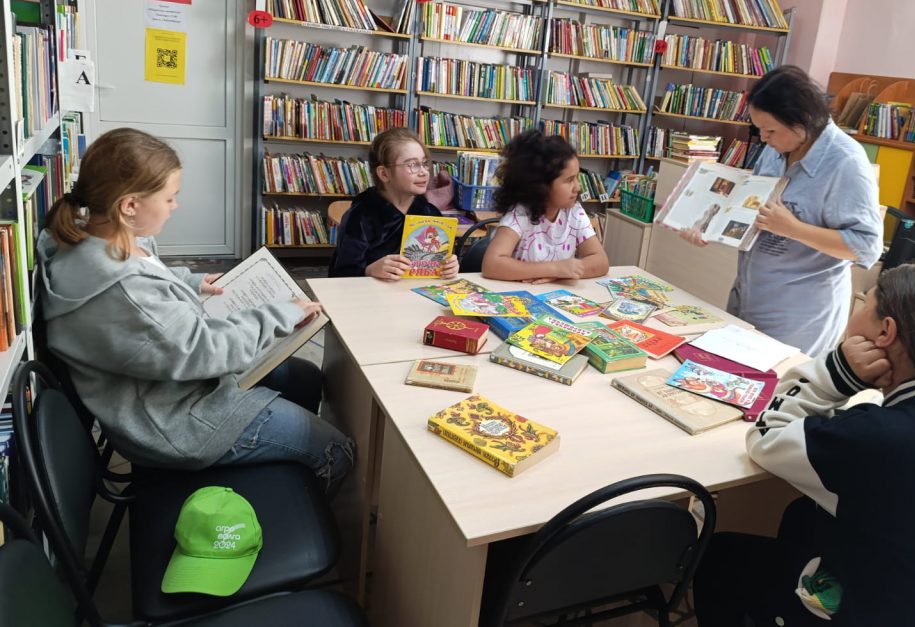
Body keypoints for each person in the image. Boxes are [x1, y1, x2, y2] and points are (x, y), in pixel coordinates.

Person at [694, 260, 915, 627]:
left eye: (864, 303)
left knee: (721, 556)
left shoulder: (879, 438)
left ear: (885, 331)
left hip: (885, 611)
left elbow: (766, 436)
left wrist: (837, 373)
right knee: (801, 516)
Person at [38, 128, 353, 494]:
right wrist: (280, 315)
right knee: (336, 450)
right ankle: (291, 501)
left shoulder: (98, 237)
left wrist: (191, 281)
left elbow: (147, 276)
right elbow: (206, 350)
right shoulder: (122, 291)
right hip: (180, 424)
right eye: (170, 197)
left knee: (303, 377)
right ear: (129, 206)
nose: (175, 206)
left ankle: (283, 464)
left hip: (175, 394)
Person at [680, 65, 882, 356]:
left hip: (799, 314)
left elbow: (866, 247)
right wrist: (712, 226)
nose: (763, 138)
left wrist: (793, 228)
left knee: (778, 382)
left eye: (770, 130)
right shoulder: (776, 150)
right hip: (749, 295)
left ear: (803, 120)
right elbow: (754, 209)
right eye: (759, 129)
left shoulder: (846, 163)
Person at [328, 127, 459, 281]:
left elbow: (440, 260)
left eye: (424, 163)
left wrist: (449, 266)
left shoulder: (430, 212)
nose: (424, 172)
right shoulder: (360, 216)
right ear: (384, 174)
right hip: (372, 293)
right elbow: (340, 276)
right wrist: (369, 270)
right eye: (412, 165)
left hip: (415, 291)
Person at [481, 130, 609, 284]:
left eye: (577, 178)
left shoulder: (574, 212)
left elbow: (601, 261)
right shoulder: (520, 215)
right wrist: (554, 269)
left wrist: (560, 273)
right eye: (569, 180)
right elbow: (491, 265)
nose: (578, 187)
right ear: (541, 186)